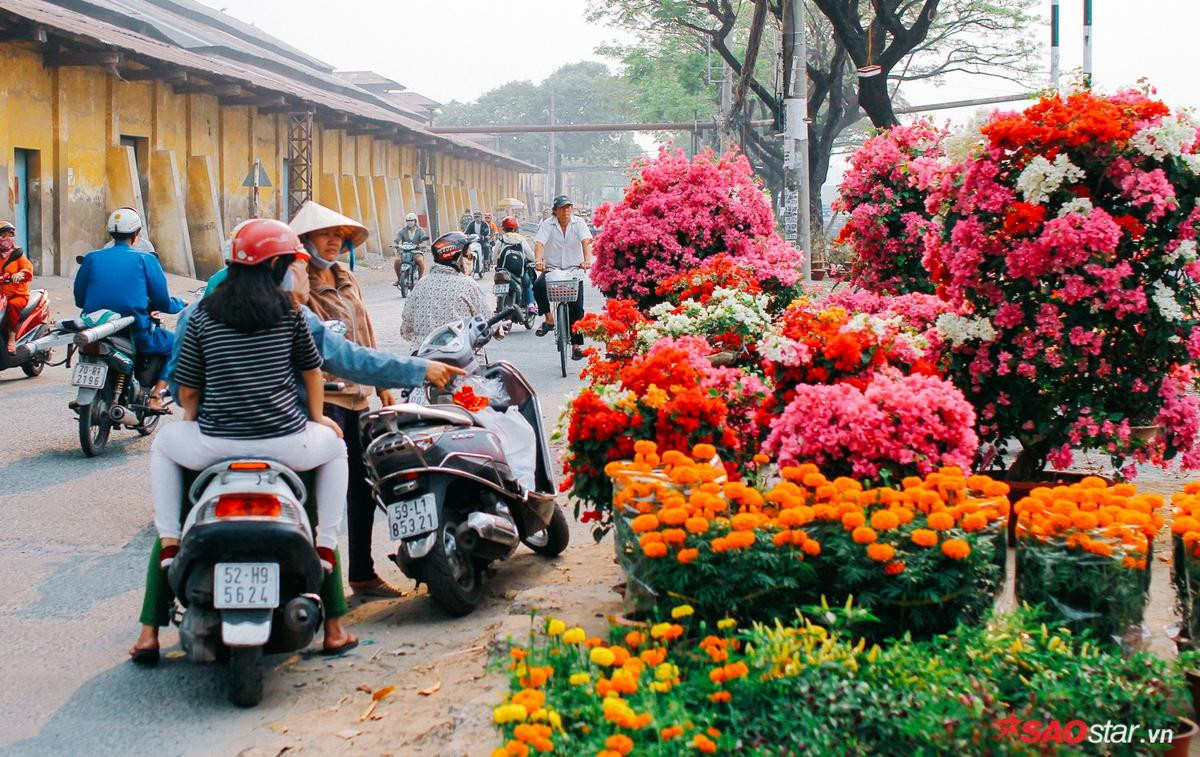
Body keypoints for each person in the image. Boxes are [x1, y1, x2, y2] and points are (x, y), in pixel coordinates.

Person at [131, 219, 352, 663]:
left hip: (215, 445)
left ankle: (150, 628)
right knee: (335, 451)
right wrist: (318, 419)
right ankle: (332, 613)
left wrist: (195, 419)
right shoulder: (290, 311)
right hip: (287, 443)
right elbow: (312, 372)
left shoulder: (203, 313)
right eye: (288, 262)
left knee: (166, 452)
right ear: (274, 264)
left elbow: (187, 391)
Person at [288, 201, 407, 598]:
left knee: (363, 486)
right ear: (305, 242)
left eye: (339, 236)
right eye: (326, 235)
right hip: (323, 400)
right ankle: (318, 585)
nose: (335, 241)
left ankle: (362, 573)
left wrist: (383, 386)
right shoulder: (297, 282)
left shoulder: (346, 276)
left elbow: (364, 329)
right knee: (322, 496)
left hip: (357, 396)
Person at [74, 208, 185, 411]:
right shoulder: (146, 259)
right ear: (136, 234)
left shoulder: (91, 258)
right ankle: (156, 395)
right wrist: (180, 303)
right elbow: (163, 302)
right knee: (178, 344)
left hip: (96, 328)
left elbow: (80, 299)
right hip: (135, 331)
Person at [401, 231, 490, 345]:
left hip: (423, 355)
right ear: (457, 257)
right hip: (458, 355)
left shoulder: (420, 284)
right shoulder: (468, 285)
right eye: (468, 255)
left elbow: (406, 329)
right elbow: (486, 321)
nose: (470, 258)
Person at [533, 195, 592, 361]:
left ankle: (576, 347)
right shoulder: (547, 224)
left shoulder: (578, 223)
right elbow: (539, 244)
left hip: (574, 270)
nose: (566, 211)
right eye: (562, 208)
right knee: (538, 286)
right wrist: (538, 261)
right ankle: (549, 319)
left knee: (577, 308)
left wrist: (587, 261)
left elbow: (585, 242)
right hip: (552, 270)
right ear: (555, 211)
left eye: (568, 207)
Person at [0, 221, 33, 354]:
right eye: (2, 235)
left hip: (17, 294)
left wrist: (19, 274)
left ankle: (11, 339)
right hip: (1, 295)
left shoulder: (18, 254)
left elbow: (28, 270)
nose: (5, 238)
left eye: (7, 234)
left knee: (13, 306)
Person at [497, 215, 536, 315]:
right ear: (515, 228)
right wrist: (534, 261)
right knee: (527, 284)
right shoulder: (521, 238)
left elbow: (494, 255)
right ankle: (531, 305)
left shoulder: (501, 239)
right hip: (518, 270)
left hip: (503, 269)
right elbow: (530, 255)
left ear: (504, 228)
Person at [394, 212, 430, 283]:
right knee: (397, 261)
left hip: (416, 252)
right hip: (404, 252)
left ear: (415, 221)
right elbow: (396, 240)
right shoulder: (402, 231)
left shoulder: (420, 231)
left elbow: (424, 240)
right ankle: (398, 279)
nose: (409, 222)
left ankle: (420, 279)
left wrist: (422, 245)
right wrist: (396, 245)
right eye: (408, 221)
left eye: (411, 220)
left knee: (420, 261)